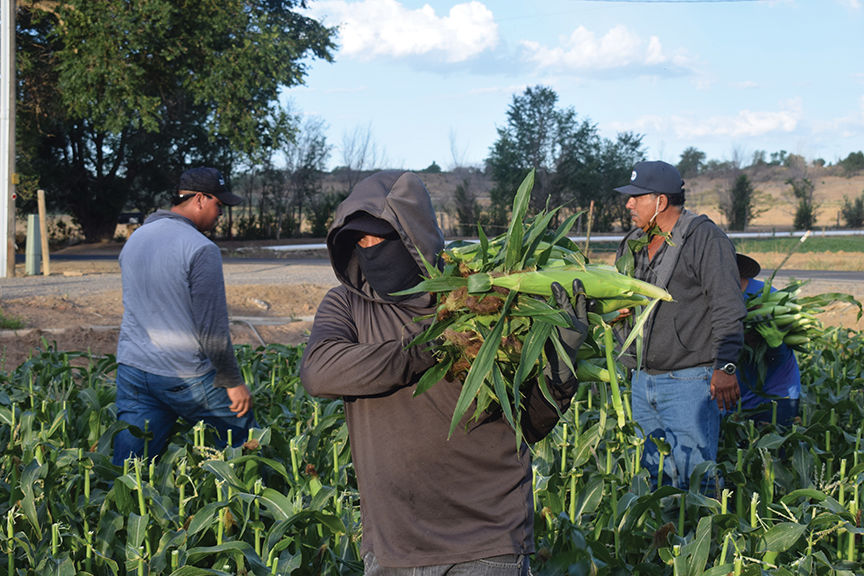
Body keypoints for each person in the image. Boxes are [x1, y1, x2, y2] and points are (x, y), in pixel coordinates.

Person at [299, 170, 587, 575]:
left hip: (486, 542)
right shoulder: (347, 306)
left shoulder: (482, 297)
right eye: (357, 241)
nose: (368, 249)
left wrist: (559, 376)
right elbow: (319, 373)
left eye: (378, 238)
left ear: (413, 235)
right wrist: (432, 346)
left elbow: (526, 424)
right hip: (395, 547)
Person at [613, 160, 745, 492]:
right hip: (643, 382)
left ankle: (707, 543)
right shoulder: (633, 245)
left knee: (697, 479)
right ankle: (665, 542)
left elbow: (727, 305)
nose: (629, 204)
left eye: (636, 197)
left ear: (661, 201)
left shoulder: (704, 239)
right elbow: (622, 300)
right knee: (656, 479)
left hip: (690, 382)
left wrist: (725, 366)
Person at [112, 167, 256, 465]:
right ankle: (259, 507)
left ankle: (114, 509)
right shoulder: (201, 248)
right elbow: (211, 328)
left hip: (134, 369)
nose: (220, 214)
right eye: (219, 205)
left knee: (130, 467)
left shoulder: (136, 239)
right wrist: (232, 382)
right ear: (200, 199)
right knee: (246, 439)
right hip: (183, 375)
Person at [734, 253, 801, 426]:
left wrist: (776, 344)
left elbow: (779, 358)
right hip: (736, 394)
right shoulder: (714, 298)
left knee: (775, 447)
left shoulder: (768, 296)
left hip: (777, 394)